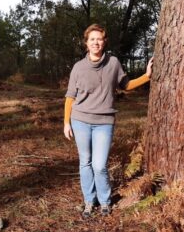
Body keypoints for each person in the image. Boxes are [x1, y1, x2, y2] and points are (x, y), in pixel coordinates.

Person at [64, 24, 153, 218]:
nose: (96, 42)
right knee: (85, 162)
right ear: (86, 43)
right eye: (92, 39)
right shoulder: (78, 67)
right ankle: (89, 200)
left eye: (99, 39)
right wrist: (66, 123)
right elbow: (70, 97)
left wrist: (147, 76)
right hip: (80, 120)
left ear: (104, 42)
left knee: (100, 164)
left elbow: (126, 85)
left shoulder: (113, 63)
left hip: (104, 122)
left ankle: (104, 200)